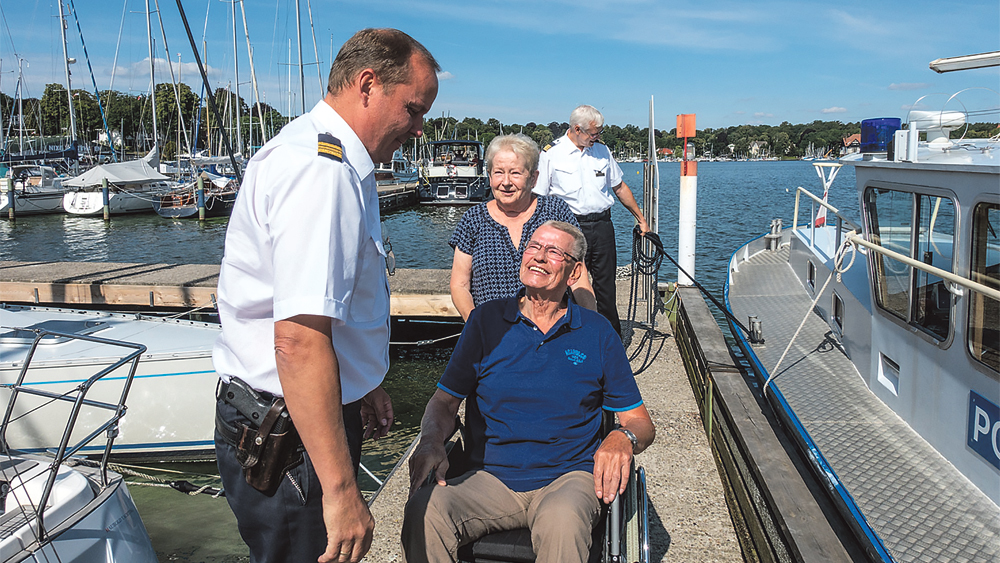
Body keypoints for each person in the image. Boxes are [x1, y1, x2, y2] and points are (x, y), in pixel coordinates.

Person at [212, 28, 439, 563]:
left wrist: (360, 384)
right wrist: (339, 491)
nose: (419, 129)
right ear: (368, 84)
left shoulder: (326, 156)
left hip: (290, 421)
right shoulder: (323, 172)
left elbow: (332, 308)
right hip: (290, 438)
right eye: (413, 109)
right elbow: (298, 341)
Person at [403, 221, 655, 563]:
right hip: (489, 478)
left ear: (574, 272)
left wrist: (622, 437)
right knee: (425, 510)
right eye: (533, 247)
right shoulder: (485, 322)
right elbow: (444, 403)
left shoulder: (597, 333)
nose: (538, 256)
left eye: (553, 252)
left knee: (562, 521)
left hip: (568, 477)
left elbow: (640, 422)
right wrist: (431, 440)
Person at [449, 133, 596, 321]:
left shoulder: (556, 211)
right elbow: (459, 285)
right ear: (489, 176)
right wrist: (476, 325)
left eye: (515, 173)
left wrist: (591, 324)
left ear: (533, 178)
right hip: (494, 329)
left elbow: (579, 278)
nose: (506, 182)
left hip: (553, 328)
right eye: (498, 172)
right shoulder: (473, 219)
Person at [534, 105, 650, 336]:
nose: (597, 137)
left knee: (606, 286)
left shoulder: (602, 151)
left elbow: (619, 187)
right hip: (568, 228)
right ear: (577, 129)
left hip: (602, 226)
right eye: (594, 133)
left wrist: (641, 219)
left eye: (599, 133)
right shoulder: (551, 154)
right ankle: (570, 337)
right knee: (567, 284)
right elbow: (538, 197)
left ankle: (610, 339)